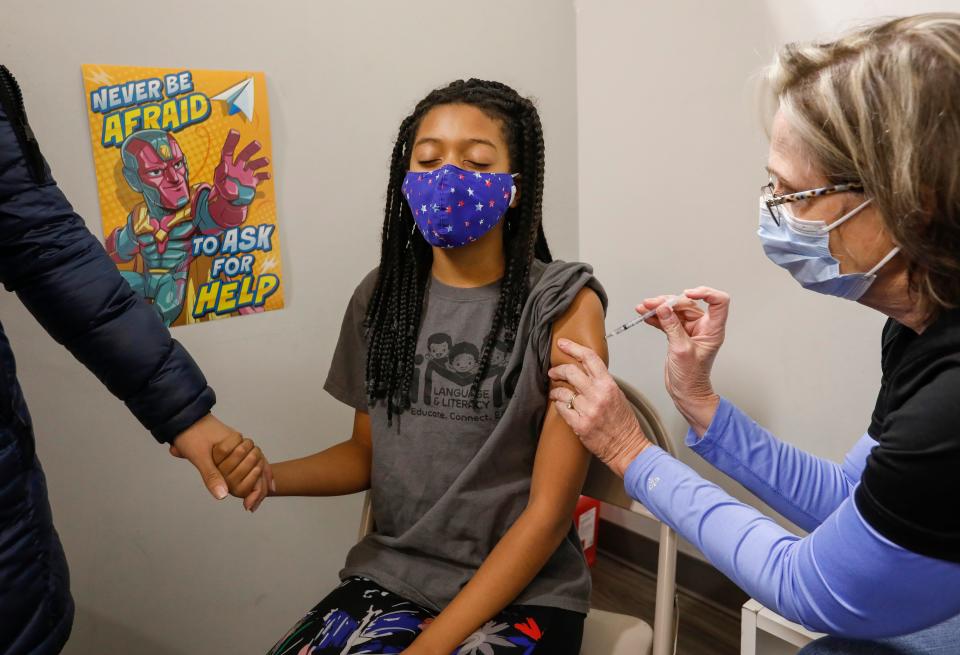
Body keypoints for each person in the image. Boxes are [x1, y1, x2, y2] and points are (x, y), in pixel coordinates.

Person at [547, 13, 960, 654]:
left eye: (793, 193)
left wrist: (629, 450)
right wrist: (700, 403)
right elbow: (847, 499)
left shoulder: (951, 402)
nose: (772, 211)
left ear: (912, 202)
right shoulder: (922, 326)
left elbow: (810, 584)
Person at [215, 79, 607, 654]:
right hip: (393, 576)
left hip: (526, 592)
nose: (446, 177)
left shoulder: (565, 303)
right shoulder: (383, 299)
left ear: (514, 189)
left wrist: (428, 647)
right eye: (427, 160)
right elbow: (365, 456)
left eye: (475, 161)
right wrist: (267, 477)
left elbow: (548, 517)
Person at [0, 64, 270, 655]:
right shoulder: (132, 235)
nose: (174, 176)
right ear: (138, 180)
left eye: (178, 164)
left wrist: (184, 411)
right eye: (160, 170)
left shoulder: (177, 214)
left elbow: (51, 255)